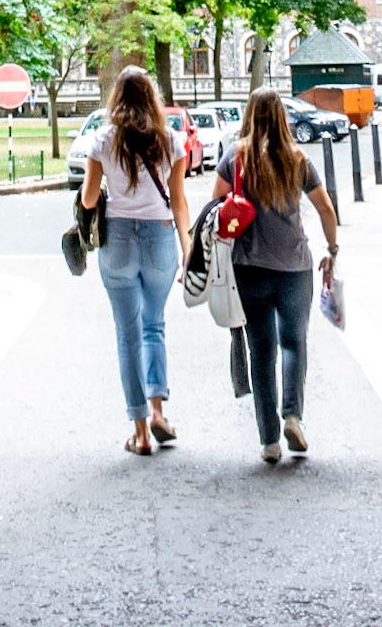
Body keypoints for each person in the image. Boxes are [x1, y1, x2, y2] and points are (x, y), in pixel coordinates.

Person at [213, 87, 339, 463]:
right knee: (294, 343)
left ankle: (269, 441)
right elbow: (326, 208)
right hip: (295, 267)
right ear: (283, 116)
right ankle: (293, 415)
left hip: (248, 268)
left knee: (261, 351)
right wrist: (331, 250)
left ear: (250, 115)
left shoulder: (236, 157)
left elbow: (215, 204)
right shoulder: (297, 158)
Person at [79, 65, 191, 455]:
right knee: (154, 326)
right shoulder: (171, 140)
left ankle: (141, 432)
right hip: (160, 238)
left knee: (128, 336)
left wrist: (101, 181)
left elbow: (90, 200)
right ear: (151, 98)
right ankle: (158, 410)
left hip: (120, 240)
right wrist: (187, 244)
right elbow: (178, 200)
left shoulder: (102, 140)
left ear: (117, 98)